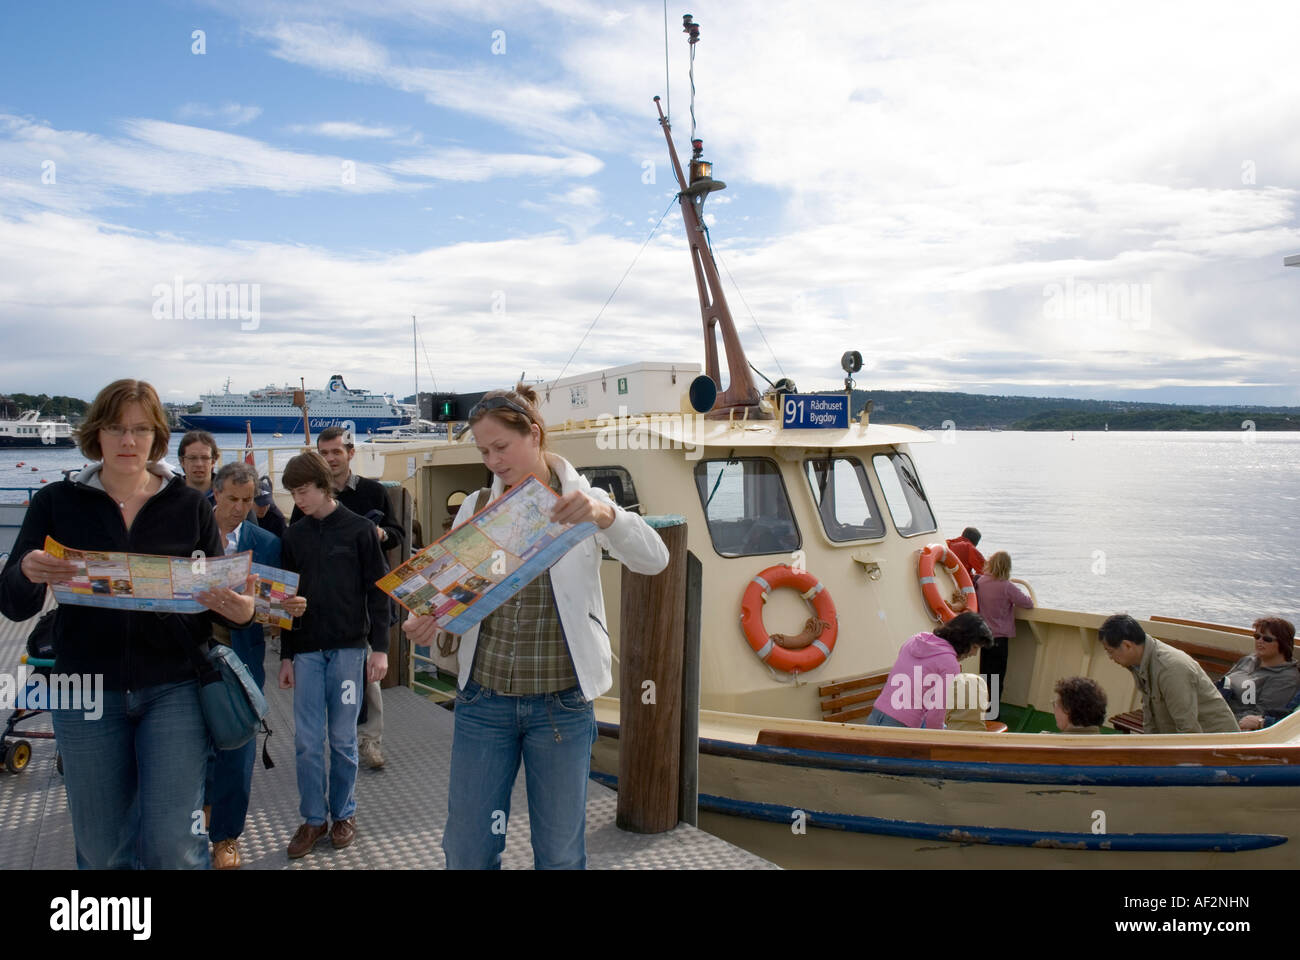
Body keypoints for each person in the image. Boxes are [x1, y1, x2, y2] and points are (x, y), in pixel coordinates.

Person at [402, 385, 669, 869]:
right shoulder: (477, 503)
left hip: (562, 705)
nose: (493, 461)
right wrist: (427, 616)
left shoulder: (584, 501)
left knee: (561, 853)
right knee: (467, 849)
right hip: (484, 702)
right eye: (484, 452)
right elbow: (450, 591)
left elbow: (655, 560)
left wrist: (606, 516)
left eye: (501, 447)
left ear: (535, 435)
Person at [0, 379, 255, 869]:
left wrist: (242, 611)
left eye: (141, 429)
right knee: (101, 849)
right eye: (117, 428)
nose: (128, 441)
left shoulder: (187, 506)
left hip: (174, 687)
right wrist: (28, 572)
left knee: (172, 845)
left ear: (157, 438)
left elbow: (229, 599)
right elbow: (13, 604)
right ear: (96, 433)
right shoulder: (57, 502)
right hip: (85, 686)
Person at [277, 451, 388, 858]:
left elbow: (378, 593)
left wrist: (380, 649)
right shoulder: (295, 536)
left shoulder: (360, 530)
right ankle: (312, 819)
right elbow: (287, 600)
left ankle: (343, 812)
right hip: (305, 651)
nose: (298, 500)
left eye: (303, 491)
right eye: (292, 493)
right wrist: (286, 656)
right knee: (307, 741)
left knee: (342, 739)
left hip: (347, 651)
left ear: (323, 486)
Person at [290, 426, 401, 769]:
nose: (331, 458)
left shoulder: (371, 492)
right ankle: (334, 742)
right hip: (324, 607)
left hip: (360, 600)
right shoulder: (304, 502)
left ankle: (368, 742)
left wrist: (379, 533)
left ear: (350, 453)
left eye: (336, 451)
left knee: (367, 678)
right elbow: (298, 541)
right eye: (324, 453)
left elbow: (397, 533)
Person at [204, 462, 281, 869]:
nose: (239, 507)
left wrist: (288, 609)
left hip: (242, 658)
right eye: (232, 498)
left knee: (238, 747)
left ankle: (227, 837)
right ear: (215, 493)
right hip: (191, 654)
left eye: (247, 500)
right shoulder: (188, 531)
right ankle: (202, 811)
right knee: (192, 744)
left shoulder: (266, 542)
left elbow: (273, 605)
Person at [1098, 614, 1238, 734]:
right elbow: (1150, 715)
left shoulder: (1170, 670)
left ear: (1127, 645)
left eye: (1110, 651)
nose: (1110, 657)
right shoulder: (1138, 663)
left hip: (1215, 743)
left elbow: (1188, 728)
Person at [865, 612, 993, 729]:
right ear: (964, 640)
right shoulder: (949, 664)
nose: (974, 653)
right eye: (975, 647)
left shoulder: (914, 640)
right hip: (901, 727)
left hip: (876, 715)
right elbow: (935, 714)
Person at [973, 550, 1034, 707]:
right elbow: (1027, 603)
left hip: (980, 636)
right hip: (999, 638)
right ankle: (993, 714)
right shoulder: (1007, 586)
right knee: (996, 677)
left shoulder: (979, 582)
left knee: (982, 674)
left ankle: (979, 710)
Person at [1219, 617, 1298, 731]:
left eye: (1267, 639)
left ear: (1283, 643)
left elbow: (1259, 715)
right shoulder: (1248, 660)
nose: (1259, 641)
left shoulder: (1286, 678)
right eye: (1257, 637)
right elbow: (1222, 683)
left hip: (1230, 721)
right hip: (1215, 705)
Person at [178, 429, 220, 499]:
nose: (199, 464)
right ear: (182, 461)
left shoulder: (228, 496)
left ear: (213, 461)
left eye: (205, 458)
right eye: (192, 458)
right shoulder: (169, 497)